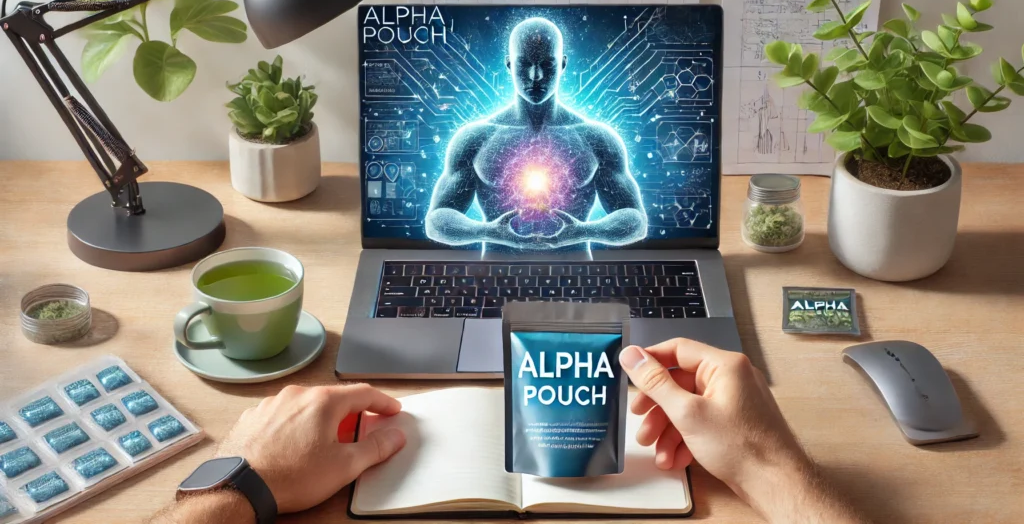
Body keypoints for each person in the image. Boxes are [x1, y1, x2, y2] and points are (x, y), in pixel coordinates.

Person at [151, 339, 868, 523]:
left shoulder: (592, 143)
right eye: (520, 64)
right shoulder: (474, 143)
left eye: (542, 64)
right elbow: (443, 213)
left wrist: (231, 483)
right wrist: (775, 470)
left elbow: (620, 220)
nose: (531, 76)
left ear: (554, 70)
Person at [423, 17, 647, 252]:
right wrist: (489, 232)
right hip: (494, 281)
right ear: (509, 65)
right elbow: (436, 220)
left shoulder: (596, 138)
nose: (535, 76)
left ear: (562, 64)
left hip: (574, 278)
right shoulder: (475, 138)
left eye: (547, 64)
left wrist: (583, 231)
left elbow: (636, 221)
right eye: (524, 64)